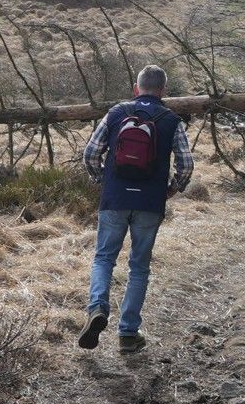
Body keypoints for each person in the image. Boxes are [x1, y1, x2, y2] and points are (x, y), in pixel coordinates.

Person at [78, 64, 193, 354]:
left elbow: (91, 153)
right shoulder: (171, 119)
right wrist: (172, 189)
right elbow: (186, 164)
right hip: (150, 203)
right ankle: (128, 333)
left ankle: (97, 308)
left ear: (136, 87)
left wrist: (103, 180)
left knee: (104, 259)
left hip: (114, 199)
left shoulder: (117, 112)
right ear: (163, 90)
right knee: (139, 268)